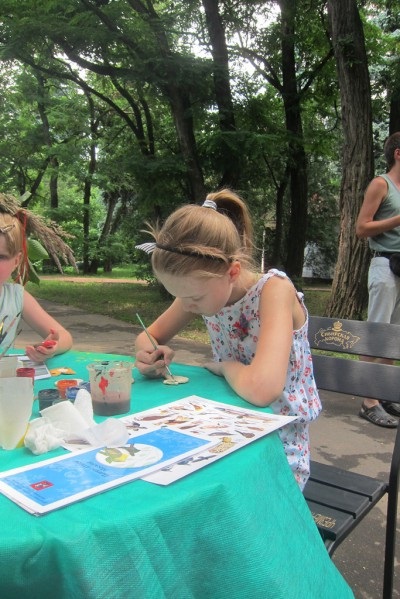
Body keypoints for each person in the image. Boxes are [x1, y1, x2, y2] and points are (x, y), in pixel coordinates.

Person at [134, 189, 321, 490]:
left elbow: (263, 390)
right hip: (223, 427)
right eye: (178, 296)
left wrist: (224, 366)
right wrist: (150, 354)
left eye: (193, 297)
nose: (186, 305)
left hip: (277, 448)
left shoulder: (274, 291)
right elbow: (149, 335)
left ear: (232, 272)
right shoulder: (201, 286)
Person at [356, 132, 400, 428]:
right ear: (398, 153)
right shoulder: (381, 184)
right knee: (377, 332)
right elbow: (362, 228)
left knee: (394, 336)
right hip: (385, 265)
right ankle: (367, 399)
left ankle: (383, 392)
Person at [0, 210, 72, 362]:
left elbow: (64, 336)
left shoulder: (16, 297)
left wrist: (51, 347)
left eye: (1, 257)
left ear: (16, 260)